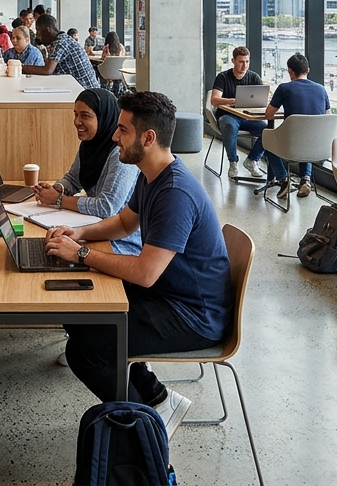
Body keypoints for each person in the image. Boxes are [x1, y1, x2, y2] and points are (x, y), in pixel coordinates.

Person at [45, 92, 232, 439]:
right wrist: (79, 233)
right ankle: (157, 397)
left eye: (123, 130)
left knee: (85, 352)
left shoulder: (175, 192)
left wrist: (81, 254)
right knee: (75, 303)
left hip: (193, 316)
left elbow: (146, 274)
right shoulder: (151, 174)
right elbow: (123, 223)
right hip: (171, 293)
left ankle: (143, 432)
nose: (115, 137)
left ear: (148, 138)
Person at [30, 89, 142, 254]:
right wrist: (57, 189)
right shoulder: (91, 144)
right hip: (92, 227)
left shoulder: (121, 155)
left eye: (85, 116)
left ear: (104, 117)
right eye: (75, 115)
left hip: (118, 242)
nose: (77, 122)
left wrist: (58, 200)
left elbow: (106, 207)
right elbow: (73, 179)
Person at [264, 54, 331, 199]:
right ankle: (305, 179)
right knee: (306, 135)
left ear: (290, 71)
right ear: (308, 70)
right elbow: (328, 117)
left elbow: (269, 114)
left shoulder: (284, 88)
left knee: (266, 141)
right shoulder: (322, 90)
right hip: (318, 148)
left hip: (292, 147)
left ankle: (283, 179)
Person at [209, 46, 267, 180]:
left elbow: (262, 99)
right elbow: (214, 100)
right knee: (229, 125)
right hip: (228, 116)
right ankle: (233, 162)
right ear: (233, 61)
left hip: (248, 118)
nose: (244, 65)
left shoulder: (254, 77)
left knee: (267, 130)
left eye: (247, 61)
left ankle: (252, 160)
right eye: (241, 62)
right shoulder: (223, 77)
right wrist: (232, 101)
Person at [21, 14, 100, 89]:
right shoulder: (62, 39)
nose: (37, 35)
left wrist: (21, 68)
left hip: (87, 92)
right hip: (78, 89)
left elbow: (47, 70)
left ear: (47, 30)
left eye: (38, 31)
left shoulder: (61, 42)